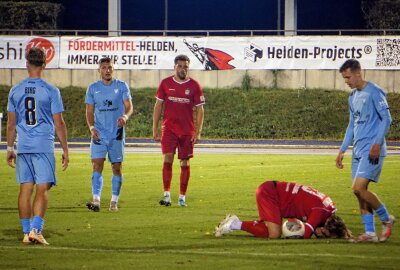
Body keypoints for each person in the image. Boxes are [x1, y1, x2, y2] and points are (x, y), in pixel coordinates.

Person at [6, 47, 69, 245]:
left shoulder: (15, 90)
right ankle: (35, 229)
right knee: (43, 188)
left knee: (25, 188)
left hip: (23, 145)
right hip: (43, 145)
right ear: (44, 64)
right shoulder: (50, 90)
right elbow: (59, 123)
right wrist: (66, 150)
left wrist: (9, 148)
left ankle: (26, 232)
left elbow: (10, 124)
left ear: (26, 65)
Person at [336, 59, 395, 243]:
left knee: (359, 188)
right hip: (358, 151)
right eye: (344, 78)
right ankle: (369, 232)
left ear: (357, 73)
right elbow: (351, 126)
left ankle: (386, 218)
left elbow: (387, 119)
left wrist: (377, 143)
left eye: (348, 77)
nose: (346, 81)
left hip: (372, 150)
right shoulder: (352, 97)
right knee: (358, 192)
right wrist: (342, 149)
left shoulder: (374, 92)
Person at [215, 180, 353, 239]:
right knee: (274, 234)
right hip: (270, 193)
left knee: (270, 231)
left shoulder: (326, 208)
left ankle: (234, 223)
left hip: (273, 192)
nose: (320, 235)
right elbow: (305, 235)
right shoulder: (321, 212)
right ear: (327, 226)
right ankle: (233, 223)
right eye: (324, 233)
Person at [152, 54, 205, 207]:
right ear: (174, 67)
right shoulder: (165, 83)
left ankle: (182, 197)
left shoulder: (194, 85)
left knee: (184, 163)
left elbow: (200, 109)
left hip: (187, 131)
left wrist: (198, 131)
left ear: (188, 68)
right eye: (180, 66)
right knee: (167, 159)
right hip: (169, 129)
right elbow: (158, 106)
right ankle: (166, 195)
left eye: (185, 66)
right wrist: (155, 128)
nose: (183, 69)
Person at [85, 57, 133, 212]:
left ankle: (114, 201)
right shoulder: (93, 88)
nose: (107, 70)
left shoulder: (121, 86)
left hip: (116, 134)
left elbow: (129, 106)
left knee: (116, 167)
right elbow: (89, 110)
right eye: (104, 67)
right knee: (96, 164)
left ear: (113, 69)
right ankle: (96, 200)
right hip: (99, 133)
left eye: (109, 67)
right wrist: (92, 127)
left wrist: (125, 117)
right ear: (99, 70)